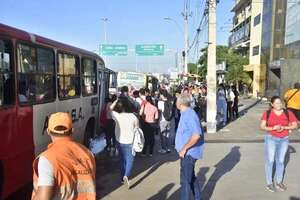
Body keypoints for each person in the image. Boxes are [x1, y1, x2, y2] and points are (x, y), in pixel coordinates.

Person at [31, 112, 96, 200]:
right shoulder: (88, 153)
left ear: (48, 131)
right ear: (72, 130)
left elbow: (43, 197)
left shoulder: (47, 159)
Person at [260, 96, 298, 192]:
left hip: (284, 139)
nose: (279, 104)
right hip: (271, 139)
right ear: (272, 104)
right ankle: (269, 183)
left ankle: (279, 182)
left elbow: (295, 125)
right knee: (270, 161)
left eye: (280, 102)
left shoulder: (288, 112)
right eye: (276, 103)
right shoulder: (267, 113)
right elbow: (262, 126)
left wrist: (284, 128)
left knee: (280, 161)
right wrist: (273, 128)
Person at [175, 94, 204, 200]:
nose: (175, 102)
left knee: (185, 181)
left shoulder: (190, 114)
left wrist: (184, 148)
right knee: (191, 178)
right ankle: (198, 197)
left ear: (181, 103)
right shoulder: (184, 113)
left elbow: (196, 135)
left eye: (177, 100)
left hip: (188, 153)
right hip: (187, 153)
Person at [110, 97, 139, 189]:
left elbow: (109, 109)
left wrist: (115, 101)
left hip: (119, 140)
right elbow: (137, 129)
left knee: (122, 159)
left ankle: (122, 178)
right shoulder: (133, 116)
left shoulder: (116, 115)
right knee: (130, 159)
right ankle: (126, 175)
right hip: (130, 141)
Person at [158, 89, 173, 154]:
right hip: (169, 120)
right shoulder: (170, 101)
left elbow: (159, 111)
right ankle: (168, 148)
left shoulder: (160, 102)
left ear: (161, 95)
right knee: (167, 135)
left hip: (162, 120)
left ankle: (163, 149)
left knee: (162, 135)